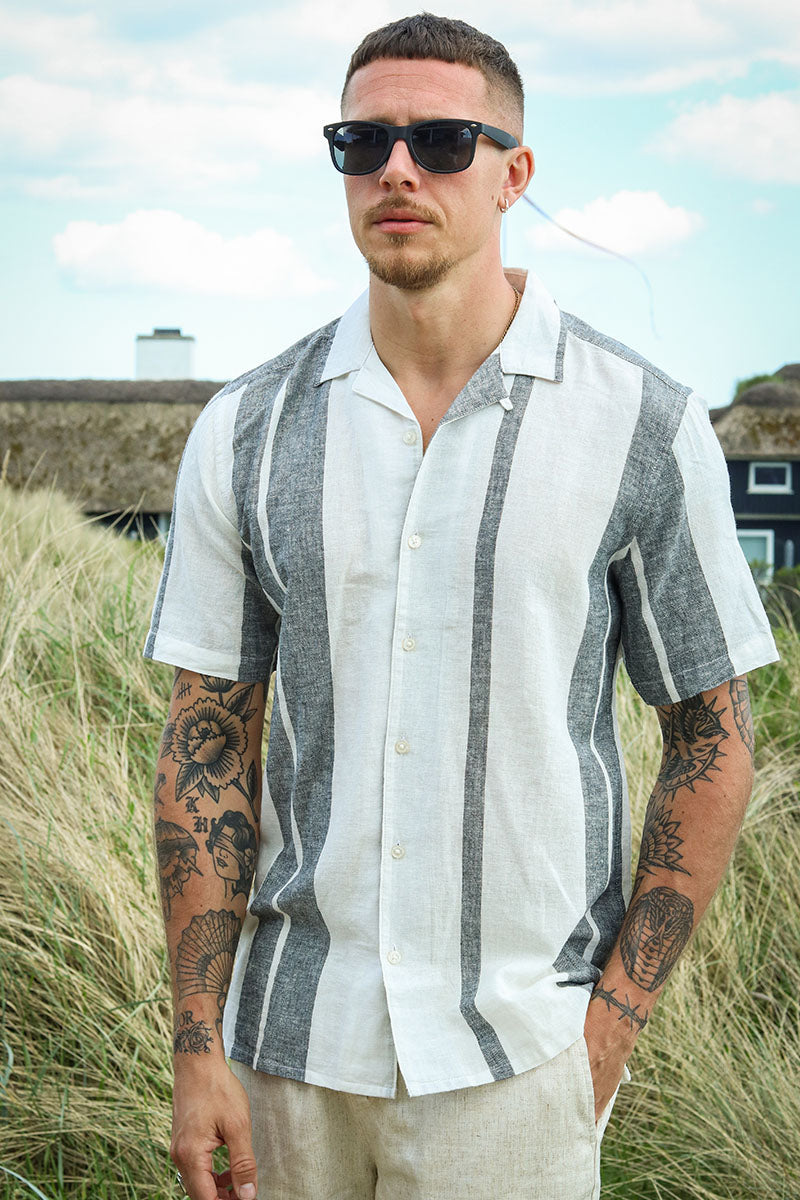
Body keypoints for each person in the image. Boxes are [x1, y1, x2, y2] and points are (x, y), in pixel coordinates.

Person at [144, 13, 778, 1200]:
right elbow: (205, 742)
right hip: (285, 1060)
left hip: (519, 1065)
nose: (396, 169)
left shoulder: (640, 422)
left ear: (511, 174)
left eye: (439, 140)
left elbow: (711, 735)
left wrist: (606, 1030)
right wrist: (195, 1047)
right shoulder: (245, 428)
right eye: (362, 141)